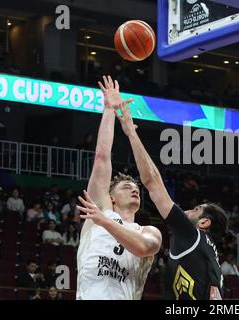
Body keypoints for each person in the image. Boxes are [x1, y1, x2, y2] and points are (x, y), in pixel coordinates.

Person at [115, 94, 228, 300]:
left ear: (203, 222)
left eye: (195, 210)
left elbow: (152, 183)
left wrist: (131, 133)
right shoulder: (207, 253)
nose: (186, 210)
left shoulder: (192, 235)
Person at [76, 76, 162, 300]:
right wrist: (108, 109)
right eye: (126, 186)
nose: (134, 190)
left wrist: (105, 221)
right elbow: (102, 158)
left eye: (136, 188)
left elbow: (143, 248)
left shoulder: (148, 231)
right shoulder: (100, 210)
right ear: (111, 197)